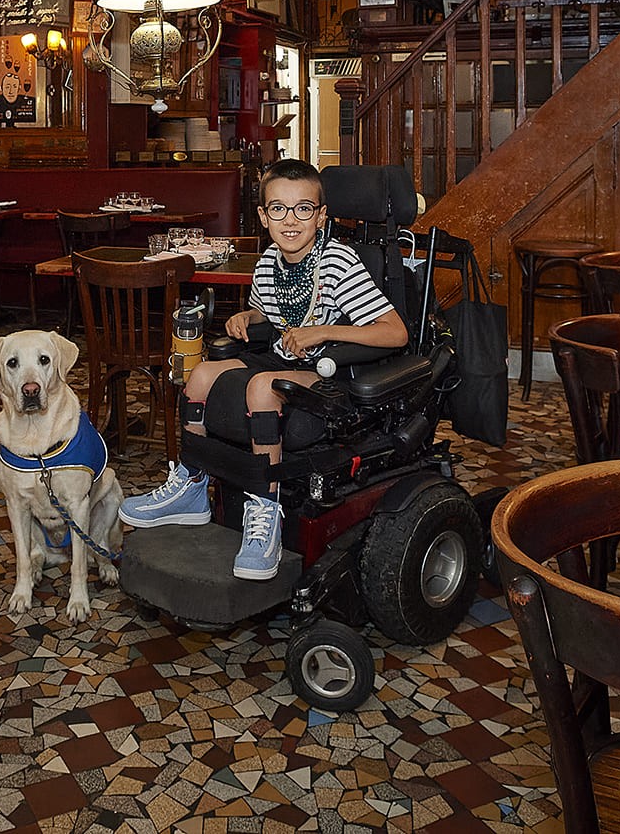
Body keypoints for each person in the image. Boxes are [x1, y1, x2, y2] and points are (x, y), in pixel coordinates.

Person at [117, 159, 407, 580]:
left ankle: (266, 511)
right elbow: (271, 316)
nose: (290, 220)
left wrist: (320, 331)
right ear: (263, 216)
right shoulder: (270, 261)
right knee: (199, 374)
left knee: (261, 386)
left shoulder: (339, 262)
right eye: (278, 209)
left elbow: (395, 333)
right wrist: (250, 318)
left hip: (332, 370)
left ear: (321, 215)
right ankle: (192, 486)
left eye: (303, 209)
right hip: (282, 356)